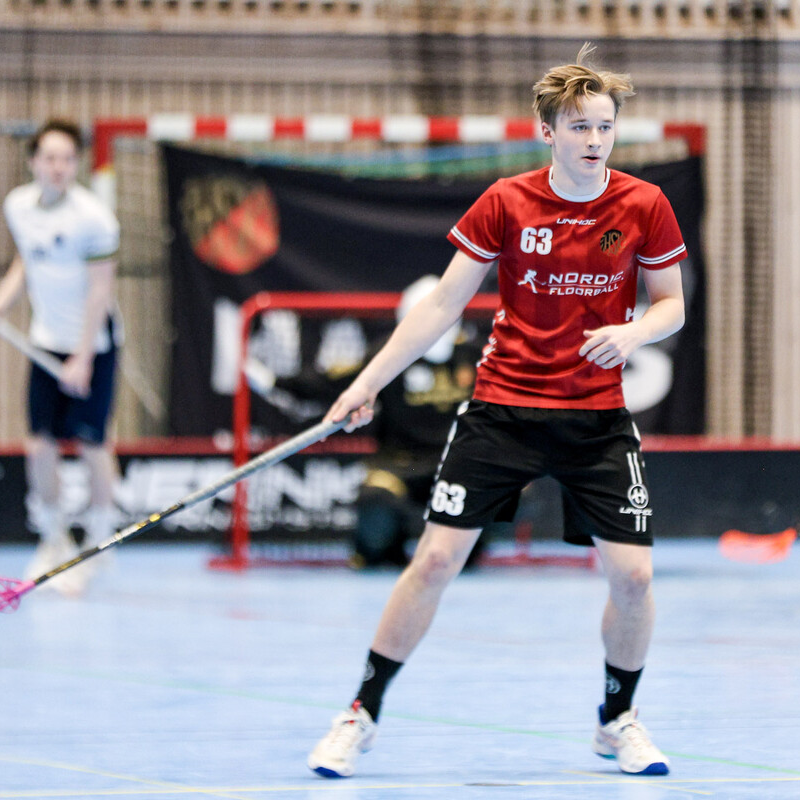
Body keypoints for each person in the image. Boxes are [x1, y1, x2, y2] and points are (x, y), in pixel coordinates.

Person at [306, 43, 687, 778]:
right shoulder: (506, 202)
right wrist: (369, 383)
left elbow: (670, 303)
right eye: (579, 127)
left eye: (605, 127)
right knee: (434, 561)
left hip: (596, 419)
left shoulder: (644, 204)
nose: (595, 140)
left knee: (634, 578)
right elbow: (440, 305)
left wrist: (635, 332)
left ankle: (618, 719)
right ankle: (361, 712)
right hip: (503, 409)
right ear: (548, 131)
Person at [247, 275, 486, 568]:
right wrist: (275, 382)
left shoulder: (477, 356)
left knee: (506, 486)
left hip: (457, 466)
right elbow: (336, 382)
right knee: (376, 506)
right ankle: (385, 550)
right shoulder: (388, 355)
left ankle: (469, 551)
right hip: (399, 465)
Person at [0, 118, 122, 595]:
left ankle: (99, 541)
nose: (58, 167)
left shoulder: (95, 219)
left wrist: (82, 357)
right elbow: (27, 258)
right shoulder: (18, 206)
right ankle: (53, 538)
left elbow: (100, 291)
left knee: (93, 445)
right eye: (50, 158)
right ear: (34, 162)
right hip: (45, 341)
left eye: (67, 159)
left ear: (76, 165)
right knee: (39, 445)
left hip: (94, 345)